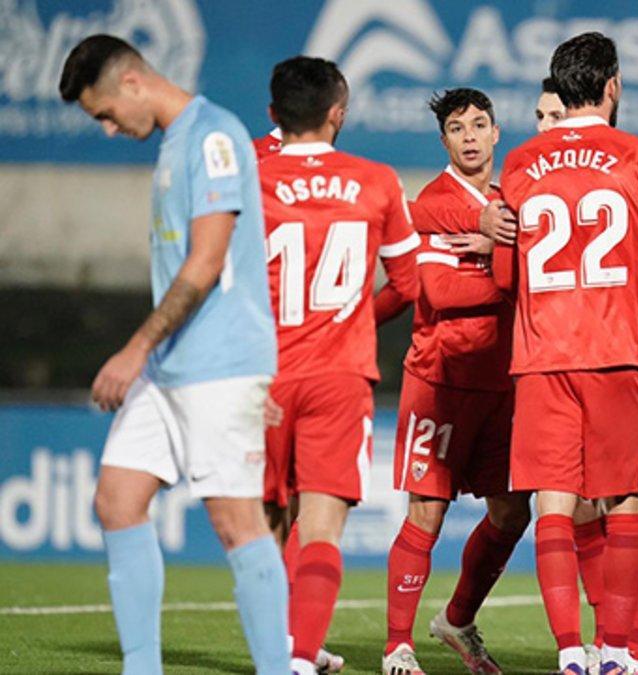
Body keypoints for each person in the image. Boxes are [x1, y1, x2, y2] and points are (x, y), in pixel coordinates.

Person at [495, 31, 638, 675]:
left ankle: (570, 653)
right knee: (625, 500)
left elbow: (501, 274)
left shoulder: (517, 164)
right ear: (613, 86)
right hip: (621, 354)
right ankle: (620, 654)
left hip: (542, 357)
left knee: (553, 502)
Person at [58, 34, 288, 674]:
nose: (107, 129)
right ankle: (142, 669)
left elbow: (208, 263)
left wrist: (134, 349)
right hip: (173, 365)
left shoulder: (212, 136)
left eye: (104, 113)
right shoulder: (174, 144)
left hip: (218, 362)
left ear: (132, 82)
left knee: (236, 522)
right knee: (117, 500)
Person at [257, 55, 420, 675]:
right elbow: (408, 284)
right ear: (338, 114)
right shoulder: (378, 180)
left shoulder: (251, 180)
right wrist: (352, 317)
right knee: (322, 527)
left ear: (274, 116)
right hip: (340, 379)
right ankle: (299, 661)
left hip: (263, 377)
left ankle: (281, 651)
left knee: (268, 525)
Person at [377, 87, 530, 675]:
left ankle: (458, 620)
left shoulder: (512, 200)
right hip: (440, 380)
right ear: (445, 140)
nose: (470, 136)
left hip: (504, 384)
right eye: (458, 127)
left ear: (496, 133)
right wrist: (507, 270)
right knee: (427, 512)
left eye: (479, 124)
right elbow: (439, 292)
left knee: (514, 513)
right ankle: (397, 647)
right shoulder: (434, 202)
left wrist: (492, 249)